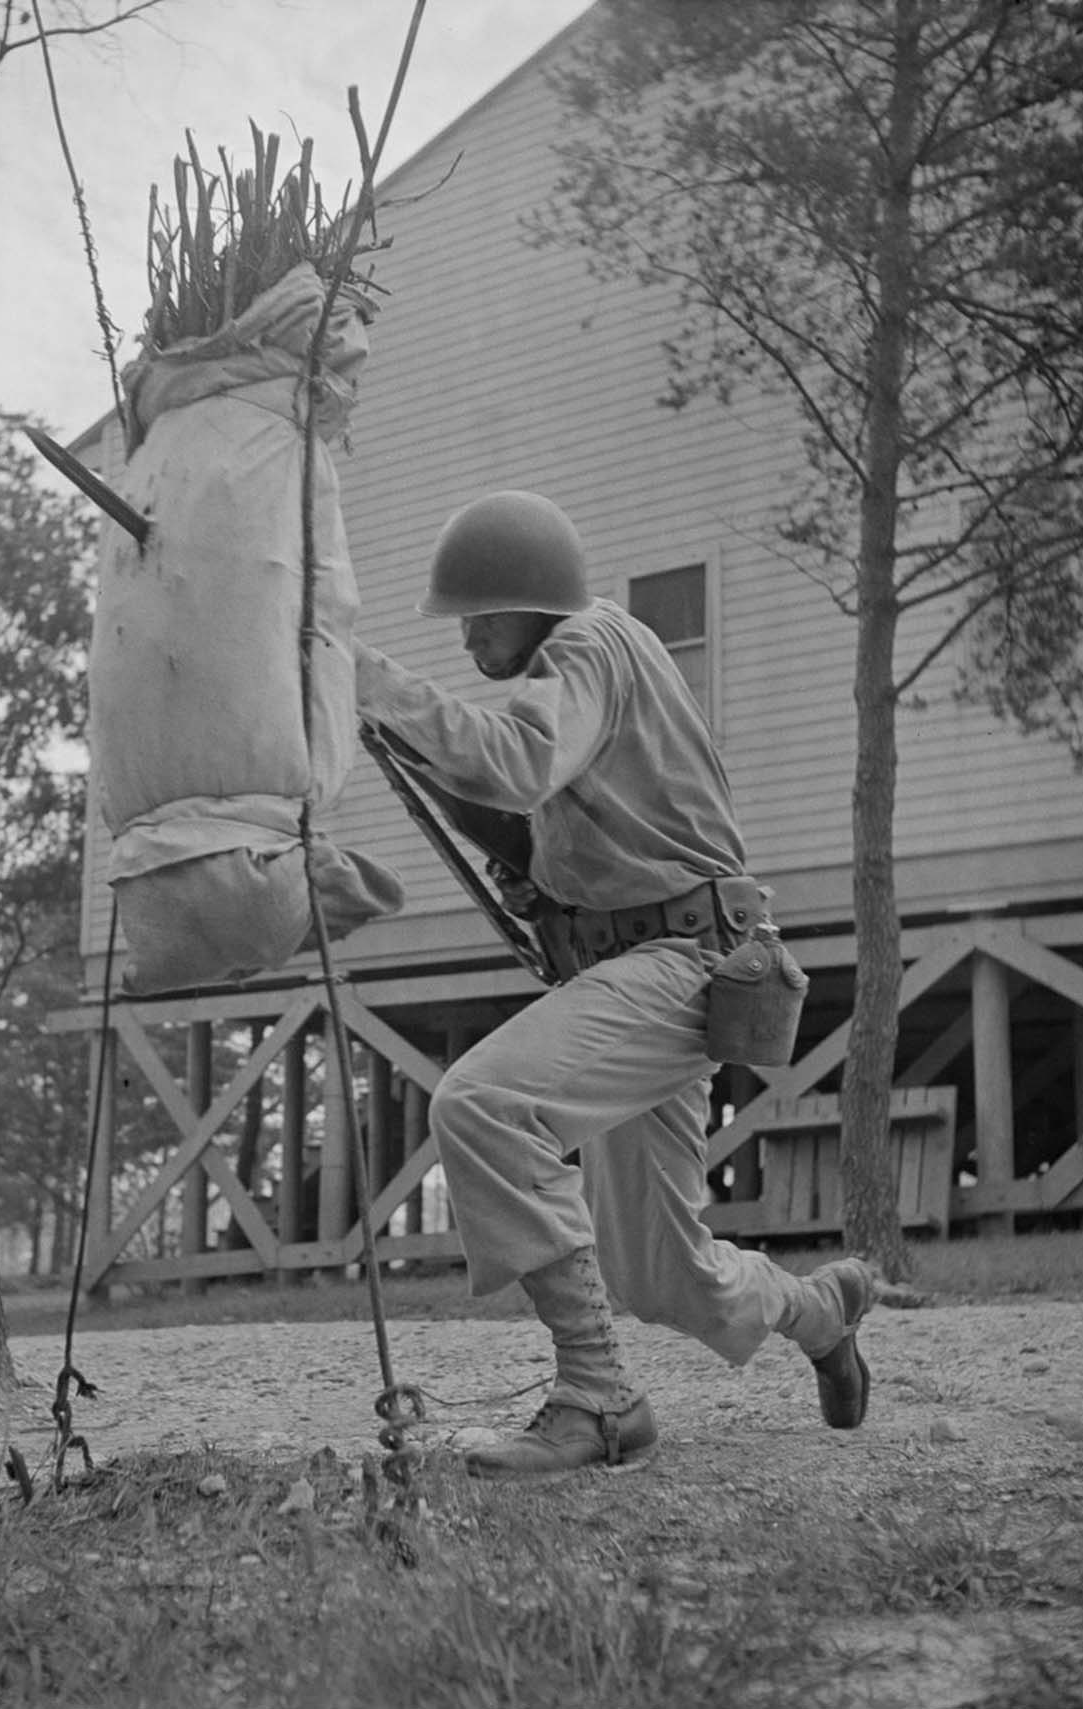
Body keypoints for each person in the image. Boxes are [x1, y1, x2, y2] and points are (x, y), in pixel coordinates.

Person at [353, 490, 875, 1478]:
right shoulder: (586, 675)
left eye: (480, 613)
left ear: (536, 599)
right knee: (663, 1276)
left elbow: (514, 761)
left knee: (483, 1102)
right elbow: (526, 819)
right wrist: (408, 744)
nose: (466, 635)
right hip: (644, 966)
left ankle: (597, 1399)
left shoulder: (587, 648)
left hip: (682, 961)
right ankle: (820, 1312)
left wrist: (363, 678)